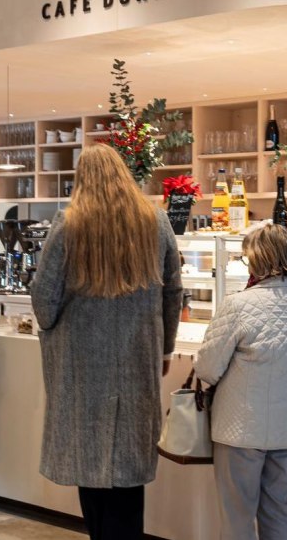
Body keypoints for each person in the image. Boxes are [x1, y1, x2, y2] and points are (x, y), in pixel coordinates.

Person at [29, 143, 182, 540]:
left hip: (81, 365)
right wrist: (164, 346)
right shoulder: (156, 221)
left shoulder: (70, 224)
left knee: (89, 461)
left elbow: (44, 297)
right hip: (137, 359)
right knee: (129, 468)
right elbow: (173, 291)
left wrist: (55, 328)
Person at [195, 223, 287, 540]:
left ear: (257, 259)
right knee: (278, 508)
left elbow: (208, 369)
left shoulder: (238, 305)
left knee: (238, 515)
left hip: (241, 430)